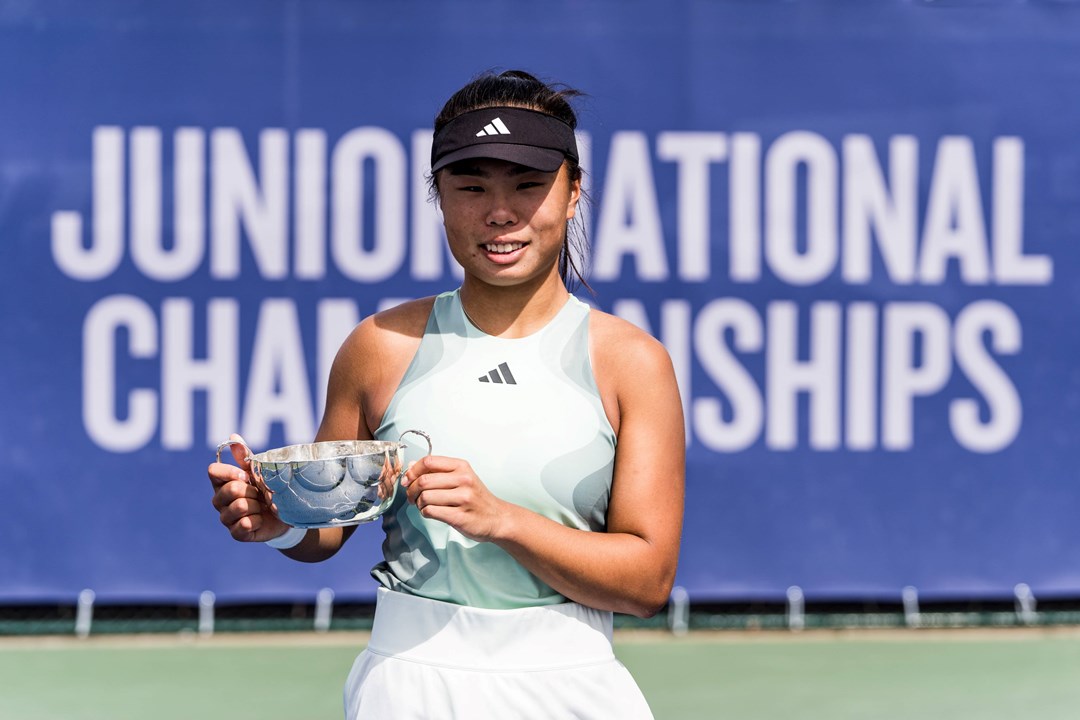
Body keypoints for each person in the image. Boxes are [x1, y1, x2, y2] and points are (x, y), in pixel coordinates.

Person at [208, 69, 685, 719]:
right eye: (471, 186)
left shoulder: (633, 363)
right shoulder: (377, 347)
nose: (500, 212)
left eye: (528, 185)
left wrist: (504, 521)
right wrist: (277, 522)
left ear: (574, 193)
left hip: (575, 687)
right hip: (407, 687)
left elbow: (648, 582)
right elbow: (328, 524)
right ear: (438, 196)